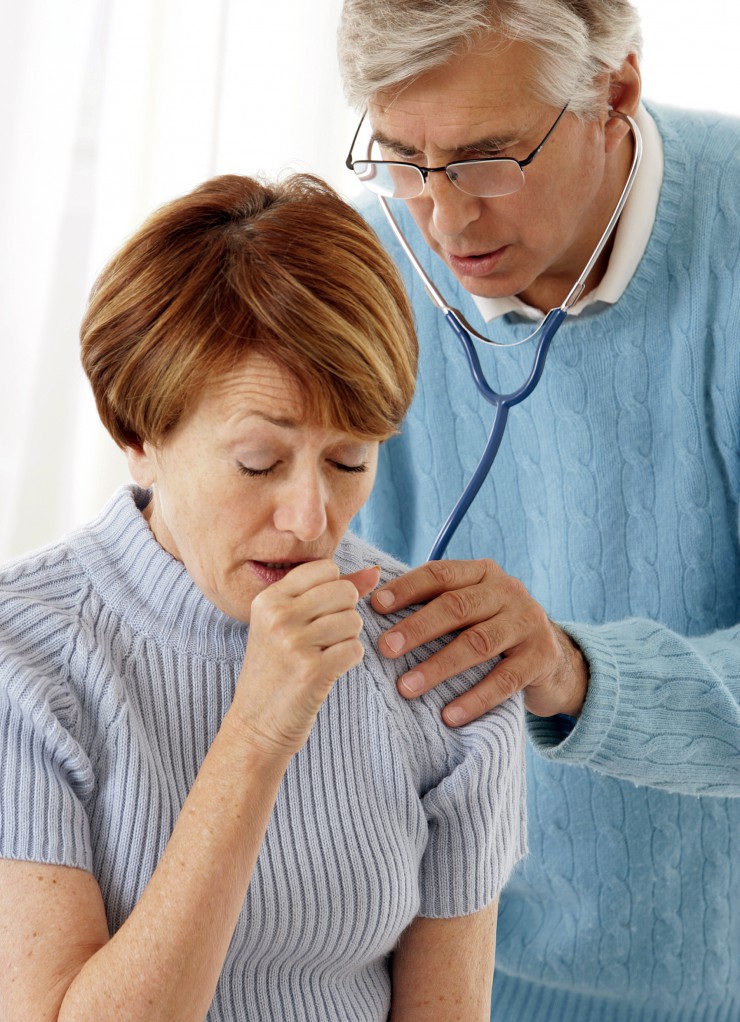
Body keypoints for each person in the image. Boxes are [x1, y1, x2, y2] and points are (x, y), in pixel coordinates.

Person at [0, 173, 527, 1021]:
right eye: (258, 462)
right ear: (138, 434)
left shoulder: (439, 663)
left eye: (350, 460)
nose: (311, 516)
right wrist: (257, 731)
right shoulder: (22, 662)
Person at [337, 1, 740, 1019]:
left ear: (615, 92)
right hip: (442, 971)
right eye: (401, 156)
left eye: (486, 157)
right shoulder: (376, 262)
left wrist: (570, 669)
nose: (444, 220)